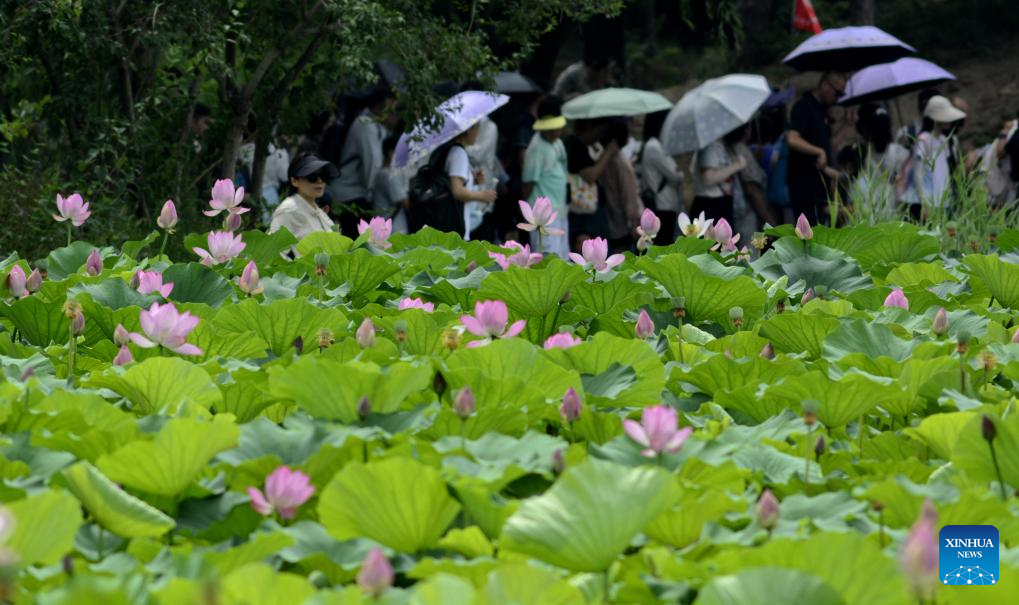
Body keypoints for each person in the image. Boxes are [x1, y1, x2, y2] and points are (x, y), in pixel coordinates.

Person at [329, 88, 394, 237]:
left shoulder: (376, 126)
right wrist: (374, 195)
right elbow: (371, 164)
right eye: (390, 107)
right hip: (350, 194)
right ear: (379, 106)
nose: (393, 113)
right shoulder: (365, 123)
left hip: (355, 194)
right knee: (356, 242)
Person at [786, 72, 846, 223]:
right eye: (837, 93)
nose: (837, 98)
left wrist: (847, 125)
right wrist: (818, 152)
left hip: (821, 186)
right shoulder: (803, 106)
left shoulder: (822, 110)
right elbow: (792, 139)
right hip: (805, 186)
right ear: (825, 85)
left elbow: (827, 145)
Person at [901, 95, 966, 219]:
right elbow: (918, 174)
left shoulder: (943, 140)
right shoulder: (924, 140)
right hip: (925, 202)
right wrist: (924, 203)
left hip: (941, 200)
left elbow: (944, 171)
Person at [521, 96, 570, 257]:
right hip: (543, 218)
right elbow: (527, 184)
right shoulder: (537, 148)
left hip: (559, 212)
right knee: (547, 258)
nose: (555, 131)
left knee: (561, 259)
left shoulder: (558, 143)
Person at [565, 119, 615, 250]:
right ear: (588, 127)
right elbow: (590, 176)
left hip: (588, 208)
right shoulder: (575, 146)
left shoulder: (583, 146)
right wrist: (608, 152)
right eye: (599, 131)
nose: (600, 136)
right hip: (583, 212)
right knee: (588, 250)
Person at [637, 110, 684, 245]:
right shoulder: (655, 147)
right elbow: (676, 176)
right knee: (663, 244)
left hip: (663, 203)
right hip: (663, 203)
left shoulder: (651, 144)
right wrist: (679, 172)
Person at [854, 104, 909, 218]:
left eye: (883, 129)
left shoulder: (900, 153)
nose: (880, 132)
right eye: (877, 129)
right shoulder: (864, 153)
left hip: (894, 204)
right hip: (871, 203)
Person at [269, 153, 338, 241]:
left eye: (323, 176)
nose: (319, 181)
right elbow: (273, 249)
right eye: (312, 177)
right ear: (294, 181)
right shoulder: (288, 210)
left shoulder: (318, 212)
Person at [598, 118, 643, 252]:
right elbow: (629, 196)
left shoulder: (602, 159)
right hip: (621, 224)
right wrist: (635, 223)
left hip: (608, 219)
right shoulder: (621, 162)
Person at [447, 122, 498, 239]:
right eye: (477, 129)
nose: (477, 134)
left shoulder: (453, 150)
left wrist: (471, 180)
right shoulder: (459, 154)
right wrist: (482, 196)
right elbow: (457, 191)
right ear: (469, 130)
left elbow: (453, 183)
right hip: (458, 227)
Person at [691, 126, 748, 227]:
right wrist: (737, 165)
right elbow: (708, 178)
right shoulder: (710, 147)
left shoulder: (721, 146)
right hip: (710, 204)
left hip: (720, 203)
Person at [464, 115, 502, 241]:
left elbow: (477, 155)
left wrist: (458, 144)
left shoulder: (489, 126)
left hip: (482, 198)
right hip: (470, 196)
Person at [373, 135, 409, 234]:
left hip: (381, 228)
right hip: (394, 230)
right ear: (391, 153)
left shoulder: (381, 173)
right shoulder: (391, 175)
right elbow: (405, 203)